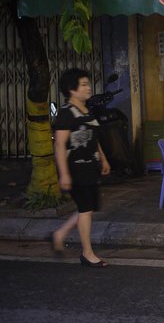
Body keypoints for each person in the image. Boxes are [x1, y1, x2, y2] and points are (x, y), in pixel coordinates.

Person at [52, 68, 111, 267]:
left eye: (88, 83)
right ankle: (87, 253)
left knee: (87, 209)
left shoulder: (87, 111)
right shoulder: (66, 114)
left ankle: (59, 234)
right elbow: (60, 145)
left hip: (90, 167)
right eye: (83, 84)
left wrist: (103, 159)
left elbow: (94, 138)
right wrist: (65, 174)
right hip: (75, 168)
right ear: (71, 89)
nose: (88, 88)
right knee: (85, 209)